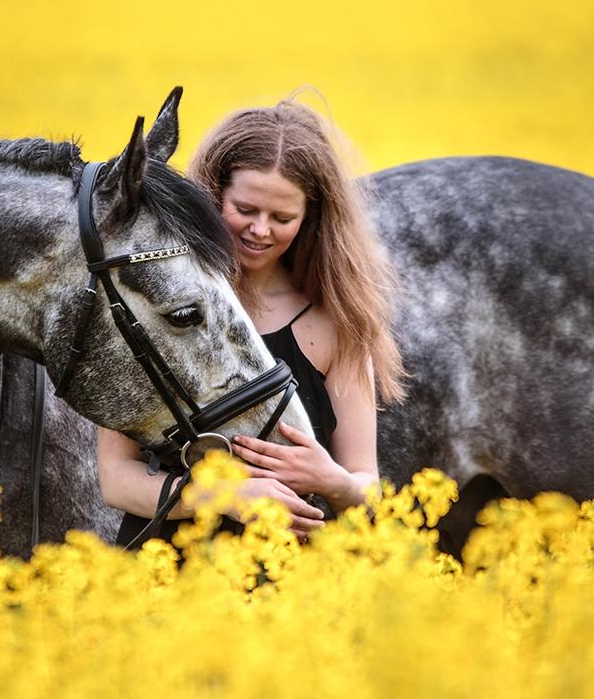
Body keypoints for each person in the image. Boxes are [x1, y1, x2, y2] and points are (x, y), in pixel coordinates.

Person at [97, 98, 405, 547]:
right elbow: (115, 478)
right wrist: (224, 496)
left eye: (282, 218)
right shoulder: (154, 304)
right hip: (165, 574)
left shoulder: (336, 323)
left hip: (293, 580)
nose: (260, 230)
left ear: (310, 218)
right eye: (245, 209)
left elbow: (366, 486)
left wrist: (332, 479)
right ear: (213, 195)